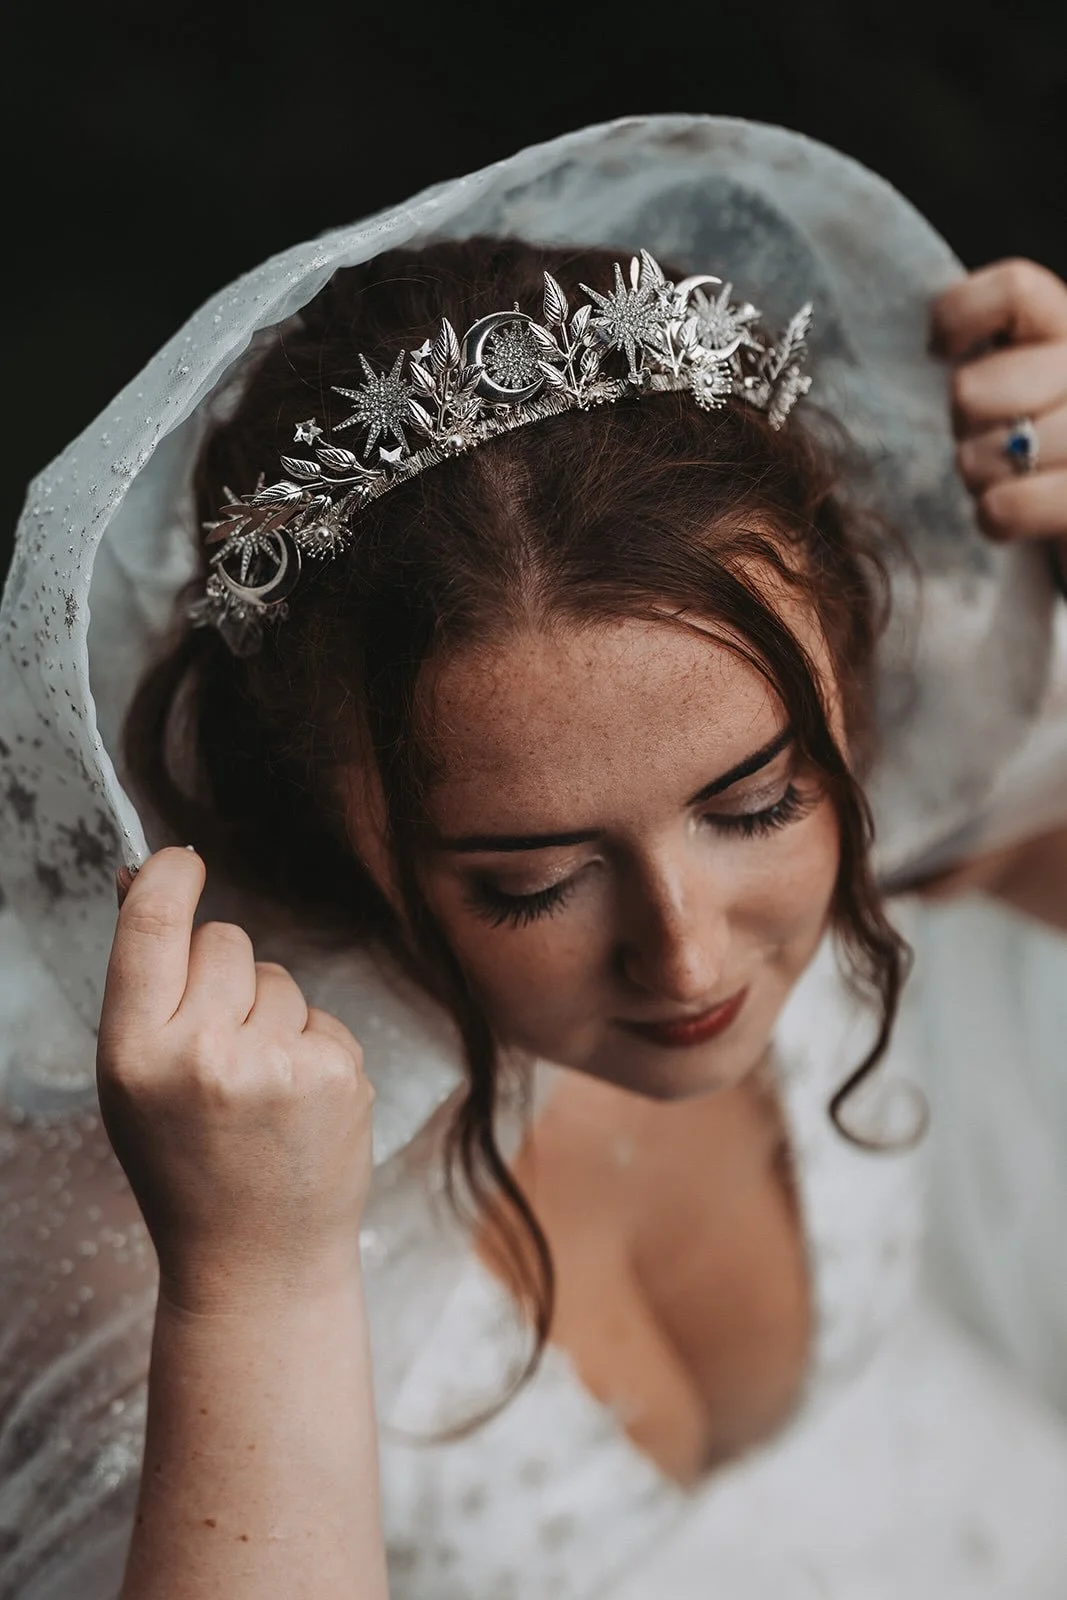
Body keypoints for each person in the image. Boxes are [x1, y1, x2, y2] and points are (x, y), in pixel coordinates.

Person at [2, 115, 1067, 1599]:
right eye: (529, 882)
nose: (687, 955)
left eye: (757, 803)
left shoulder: (907, 817)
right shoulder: (135, 1222)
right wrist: (255, 1287)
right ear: (323, 817)